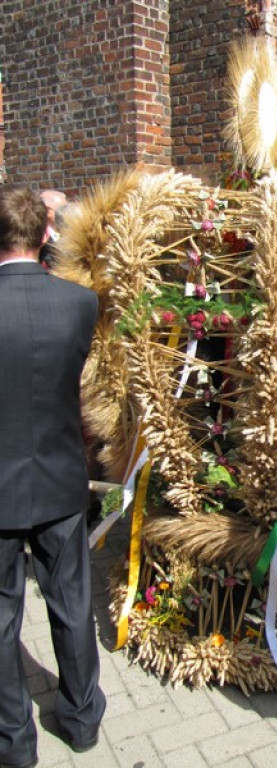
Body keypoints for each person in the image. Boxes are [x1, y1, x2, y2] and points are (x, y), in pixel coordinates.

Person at [0, 185, 105, 767]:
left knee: (1, 619)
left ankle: (14, 742)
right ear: (45, 233)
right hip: (61, 474)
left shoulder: (79, 301)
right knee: (71, 603)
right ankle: (82, 718)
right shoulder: (80, 303)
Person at [38, 188, 67, 270]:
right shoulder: (38, 239)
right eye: (63, 209)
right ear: (48, 211)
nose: (68, 212)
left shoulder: (71, 236)